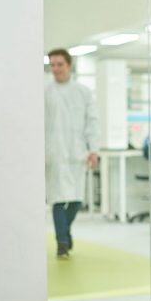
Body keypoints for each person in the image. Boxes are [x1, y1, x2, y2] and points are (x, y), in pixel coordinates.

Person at [45, 48, 99, 259]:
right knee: (58, 199)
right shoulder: (45, 92)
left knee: (76, 199)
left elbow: (92, 122)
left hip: (77, 153)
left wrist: (93, 149)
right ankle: (62, 243)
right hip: (54, 154)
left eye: (60, 64)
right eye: (52, 65)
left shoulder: (83, 92)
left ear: (69, 65)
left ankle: (65, 231)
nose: (56, 69)